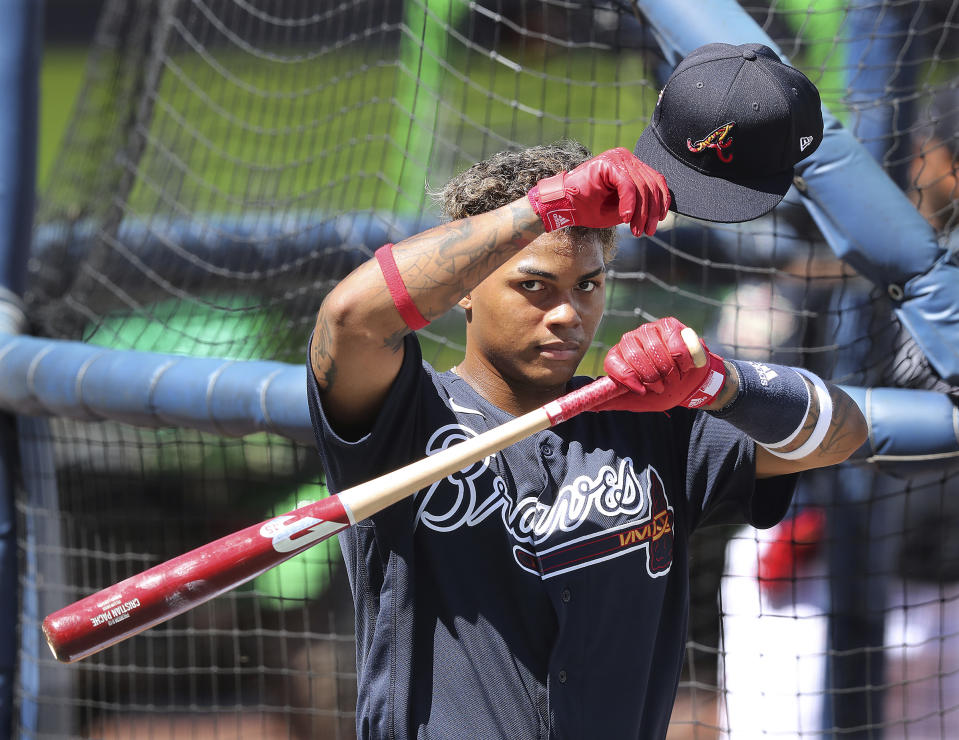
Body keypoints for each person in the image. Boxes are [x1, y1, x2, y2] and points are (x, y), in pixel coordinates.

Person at [306, 43, 868, 738]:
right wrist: (542, 207)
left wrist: (718, 382)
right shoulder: (405, 420)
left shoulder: (653, 418)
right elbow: (349, 321)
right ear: (463, 293)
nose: (568, 312)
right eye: (533, 286)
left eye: (589, 285)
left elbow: (843, 432)